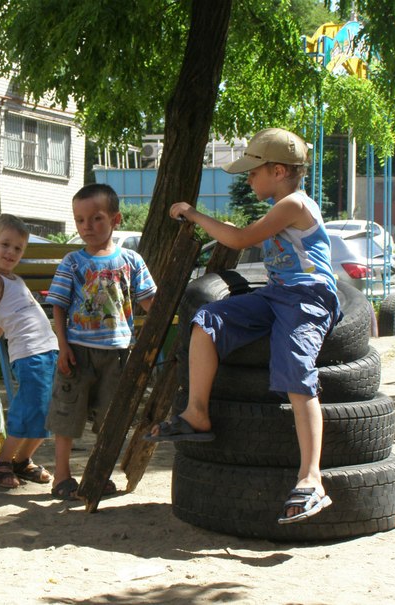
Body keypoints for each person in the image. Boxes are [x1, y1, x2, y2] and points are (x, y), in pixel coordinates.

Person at [147, 128, 341, 525]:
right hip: (276, 294)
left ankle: (312, 479)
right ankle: (196, 413)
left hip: (309, 296)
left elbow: (238, 239)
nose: (248, 179)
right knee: (207, 320)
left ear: (279, 170)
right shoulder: (279, 205)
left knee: (295, 371)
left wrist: (193, 212)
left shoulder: (295, 203)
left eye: (253, 172)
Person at [46, 183, 156, 499]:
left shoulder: (131, 260)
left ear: (115, 219)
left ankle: (99, 472)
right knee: (67, 412)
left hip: (118, 353)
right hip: (78, 352)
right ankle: (62, 477)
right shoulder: (73, 262)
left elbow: (151, 301)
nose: (87, 227)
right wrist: (63, 346)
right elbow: (59, 305)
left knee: (111, 416)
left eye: (96, 219)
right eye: (80, 220)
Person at [0, 214, 58, 489]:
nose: (11, 252)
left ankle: (22, 460)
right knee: (31, 408)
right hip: (31, 355)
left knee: (51, 411)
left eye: (18, 248)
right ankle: (2, 462)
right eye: (5, 244)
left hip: (48, 351)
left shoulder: (13, 279)